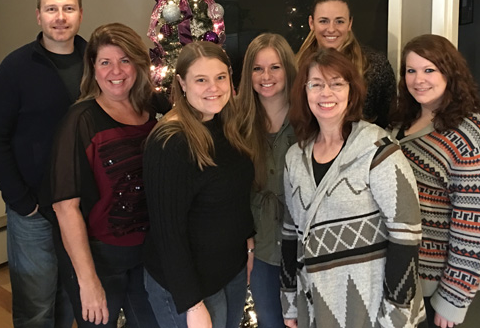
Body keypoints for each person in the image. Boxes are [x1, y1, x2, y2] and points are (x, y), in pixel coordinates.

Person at [281, 48, 425, 328]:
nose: (326, 93)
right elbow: (290, 234)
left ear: (352, 90)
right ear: (304, 91)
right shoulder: (294, 158)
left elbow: (406, 233)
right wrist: (289, 302)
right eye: (316, 84)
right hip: (317, 306)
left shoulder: (378, 150)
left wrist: (396, 314)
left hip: (373, 309)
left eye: (337, 84)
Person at [0, 0, 84, 328]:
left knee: (71, 296)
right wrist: (22, 201)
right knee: (36, 306)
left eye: (68, 8)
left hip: (82, 207)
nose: (60, 17)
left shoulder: (97, 62)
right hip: (33, 210)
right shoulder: (16, 68)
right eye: (52, 9)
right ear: (38, 16)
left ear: (79, 14)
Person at [388, 34, 480, 328]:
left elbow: (476, 230)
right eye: (411, 71)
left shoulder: (474, 140)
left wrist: (452, 301)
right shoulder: (411, 116)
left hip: (435, 284)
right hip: (405, 272)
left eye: (429, 70)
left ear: (450, 73)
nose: (418, 80)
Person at [47, 23, 159, 327]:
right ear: (93, 68)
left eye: (124, 60)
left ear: (137, 64)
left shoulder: (151, 112)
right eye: (105, 62)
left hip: (146, 255)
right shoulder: (79, 122)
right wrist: (88, 281)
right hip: (98, 258)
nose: (116, 71)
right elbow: (65, 207)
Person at [143, 41, 255, 328]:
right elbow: (168, 233)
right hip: (190, 288)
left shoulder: (225, 125)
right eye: (201, 80)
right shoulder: (171, 142)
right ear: (182, 83)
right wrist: (191, 305)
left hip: (230, 272)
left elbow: (236, 198)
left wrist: (248, 247)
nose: (213, 88)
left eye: (220, 77)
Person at [235, 33, 297, 328]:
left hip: (302, 247)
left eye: (275, 67)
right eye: (258, 69)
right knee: (271, 321)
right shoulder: (236, 123)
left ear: (288, 69)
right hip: (260, 249)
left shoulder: (309, 120)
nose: (266, 76)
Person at [296, 0, 396, 128]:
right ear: (311, 23)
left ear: (349, 23)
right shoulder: (297, 65)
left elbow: (387, 119)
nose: (331, 29)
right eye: (324, 21)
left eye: (339, 21)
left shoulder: (374, 65)